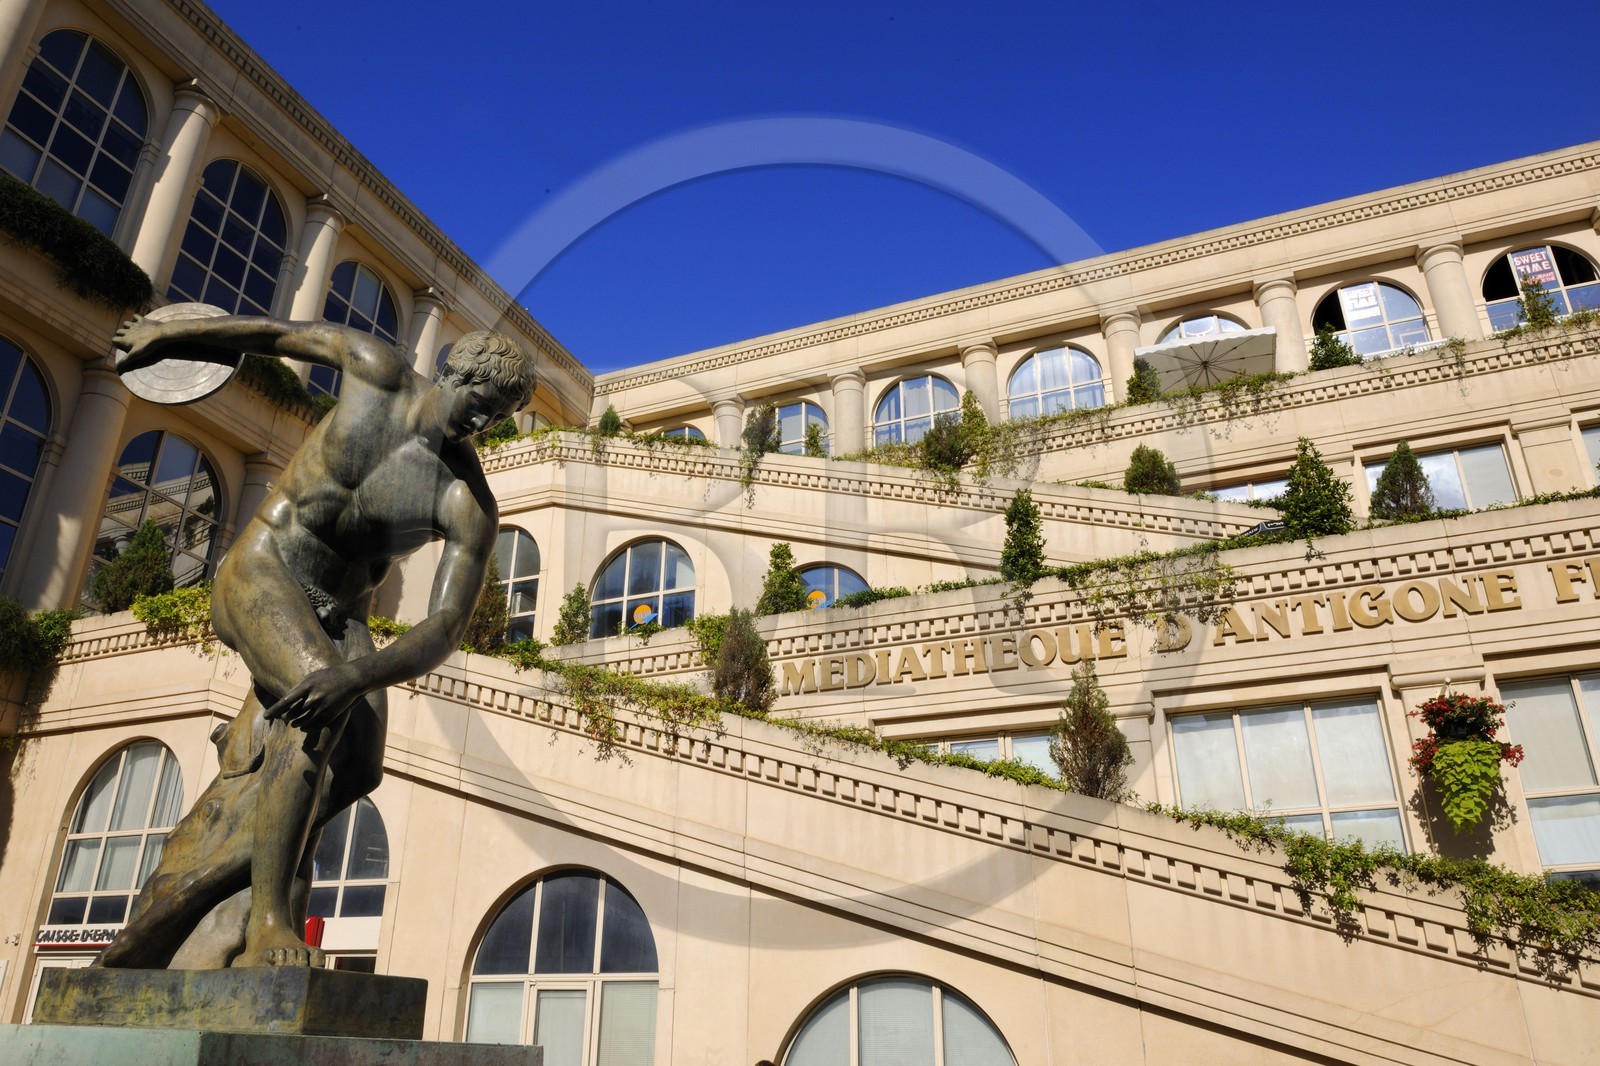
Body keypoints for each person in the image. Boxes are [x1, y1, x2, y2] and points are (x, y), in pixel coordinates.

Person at [95, 315, 535, 969]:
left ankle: (196, 899)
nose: (483, 424)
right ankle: (270, 924)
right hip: (264, 569)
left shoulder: (466, 500)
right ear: (456, 373)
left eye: (498, 417)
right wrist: (174, 335)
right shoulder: (374, 369)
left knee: (358, 767)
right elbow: (276, 336)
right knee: (314, 716)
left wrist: (359, 677)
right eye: (483, 403)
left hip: (339, 614)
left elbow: (444, 625)